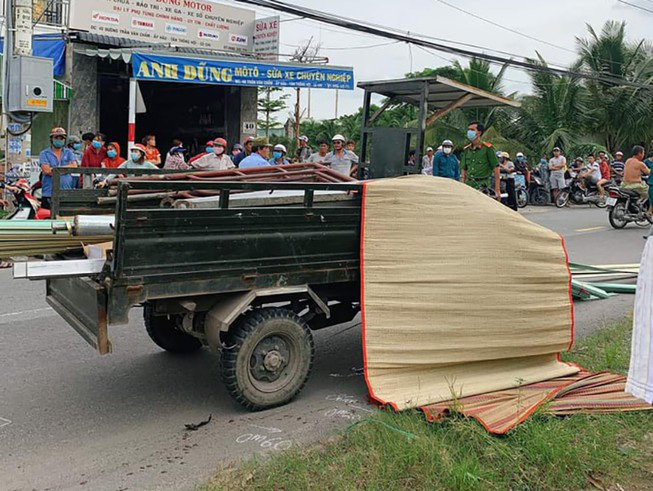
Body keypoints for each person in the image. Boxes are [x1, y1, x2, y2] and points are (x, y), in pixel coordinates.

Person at [39, 127, 78, 209]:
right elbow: (46, 170)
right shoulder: (44, 153)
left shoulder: (69, 152)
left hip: (66, 192)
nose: (59, 140)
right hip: (49, 193)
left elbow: (74, 166)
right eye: (56, 137)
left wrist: (55, 169)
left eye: (61, 138)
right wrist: (65, 169)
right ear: (51, 139)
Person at [460, 121, 501, 200]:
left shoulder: (487, 148)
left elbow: (496, 168)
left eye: (472, 130)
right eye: (468, 130)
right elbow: (464, 169)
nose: (469, 132)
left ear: (479, 132)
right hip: (469, 185)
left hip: (482, 185)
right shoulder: (467, 150)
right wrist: (463, 185)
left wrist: (497, 190)